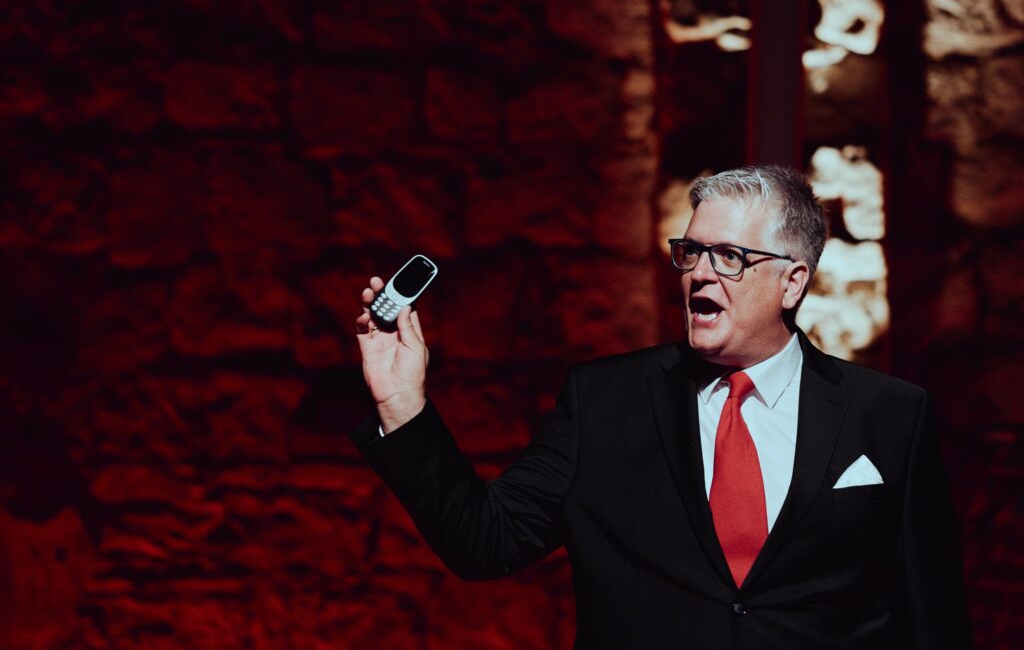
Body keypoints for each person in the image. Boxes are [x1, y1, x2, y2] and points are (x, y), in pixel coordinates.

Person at [350, 166, 971, 649]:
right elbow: (484, 539)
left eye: (730, 257)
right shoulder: (604, 402)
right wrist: (402, 404)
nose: (700, 274)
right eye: (691, 252)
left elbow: (932, 615)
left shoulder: (889, 414)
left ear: (792, 282)